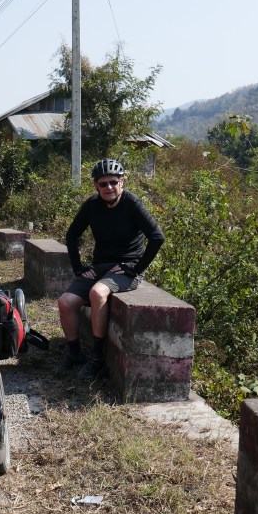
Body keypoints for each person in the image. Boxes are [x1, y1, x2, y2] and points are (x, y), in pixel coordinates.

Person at [58, 158, 165, 380]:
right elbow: (72, 235)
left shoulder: (132, 204)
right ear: (96, 186)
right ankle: (75, 353)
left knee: (97, 293)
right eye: (103, 183)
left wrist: (136, 269)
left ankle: (97, 358)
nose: (109, 187)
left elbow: (157, 237)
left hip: (126, 268)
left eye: (113, 182)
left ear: (122, 181)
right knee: (65, 302)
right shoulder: (91, 205)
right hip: (100, 267)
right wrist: (78, 268)